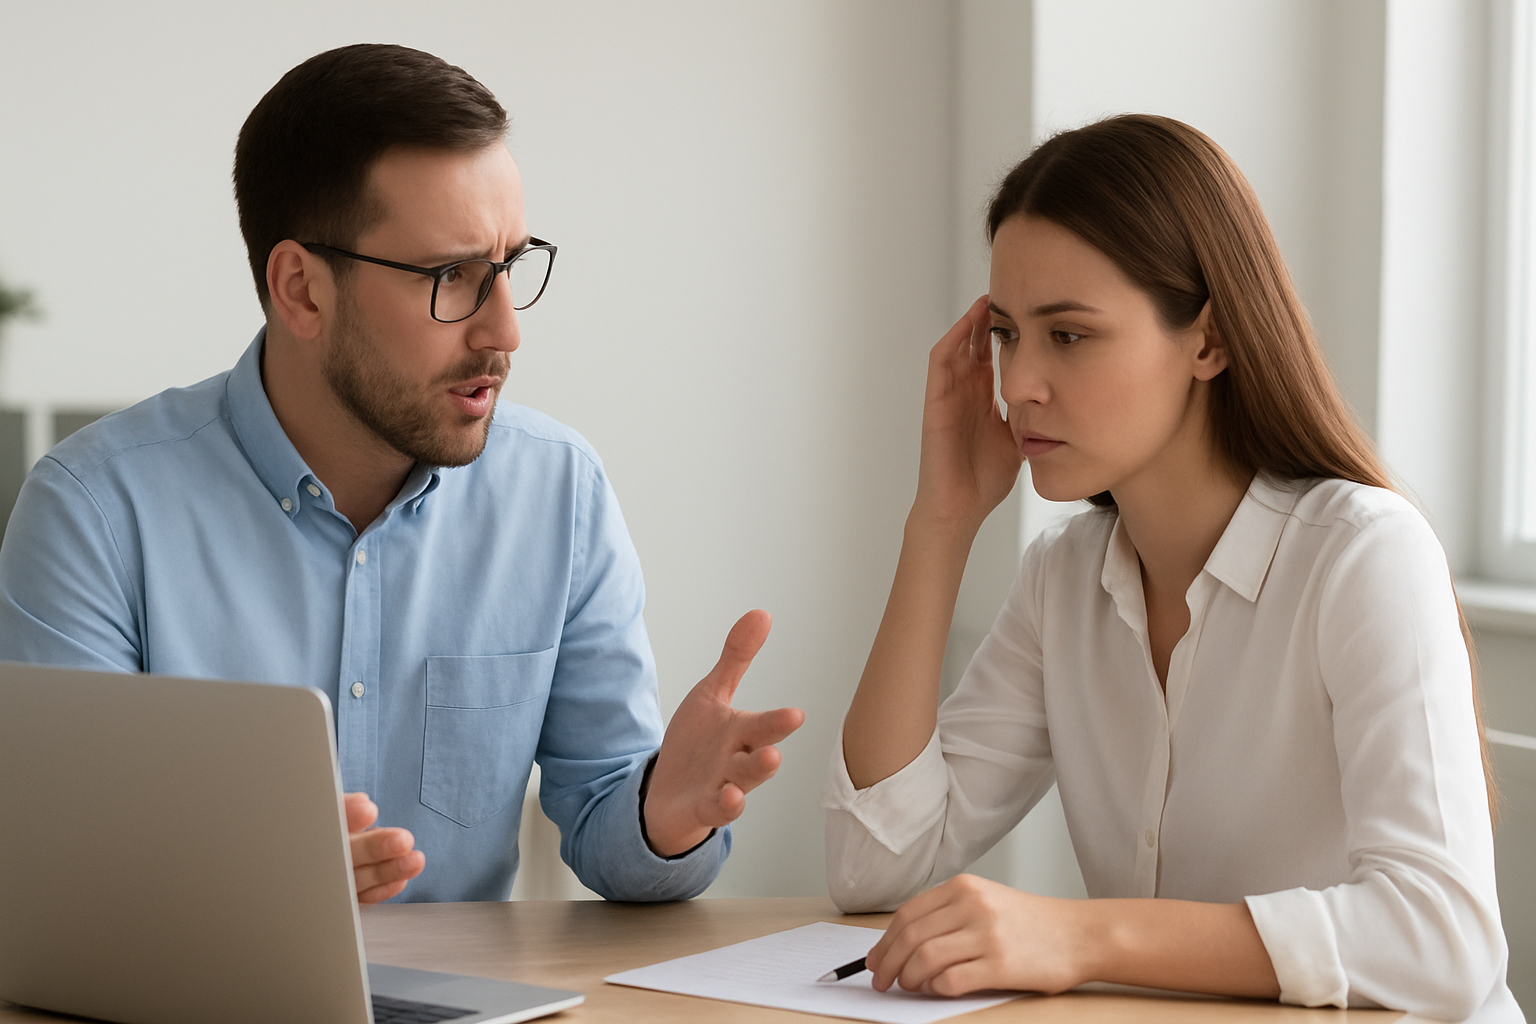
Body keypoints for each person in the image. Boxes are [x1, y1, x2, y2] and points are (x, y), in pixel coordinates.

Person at [0, 43, 804, 905]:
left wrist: (660, 814)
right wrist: (242, 889)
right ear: (301, 289)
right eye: (451, 276)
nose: (505, 330)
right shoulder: (95, 510)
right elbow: (54, 872)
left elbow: (607, 824)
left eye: (509, 267)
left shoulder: (557, 492)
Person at [822, 114, 1521, 1021]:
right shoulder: (1062, 581)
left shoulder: (1362, 555)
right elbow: (872, 867)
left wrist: (1084, 937)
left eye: (1067, 335)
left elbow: (1445, 939)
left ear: (1208, 342)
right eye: (1005, 334)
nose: (1019, 382)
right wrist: (940, 525)